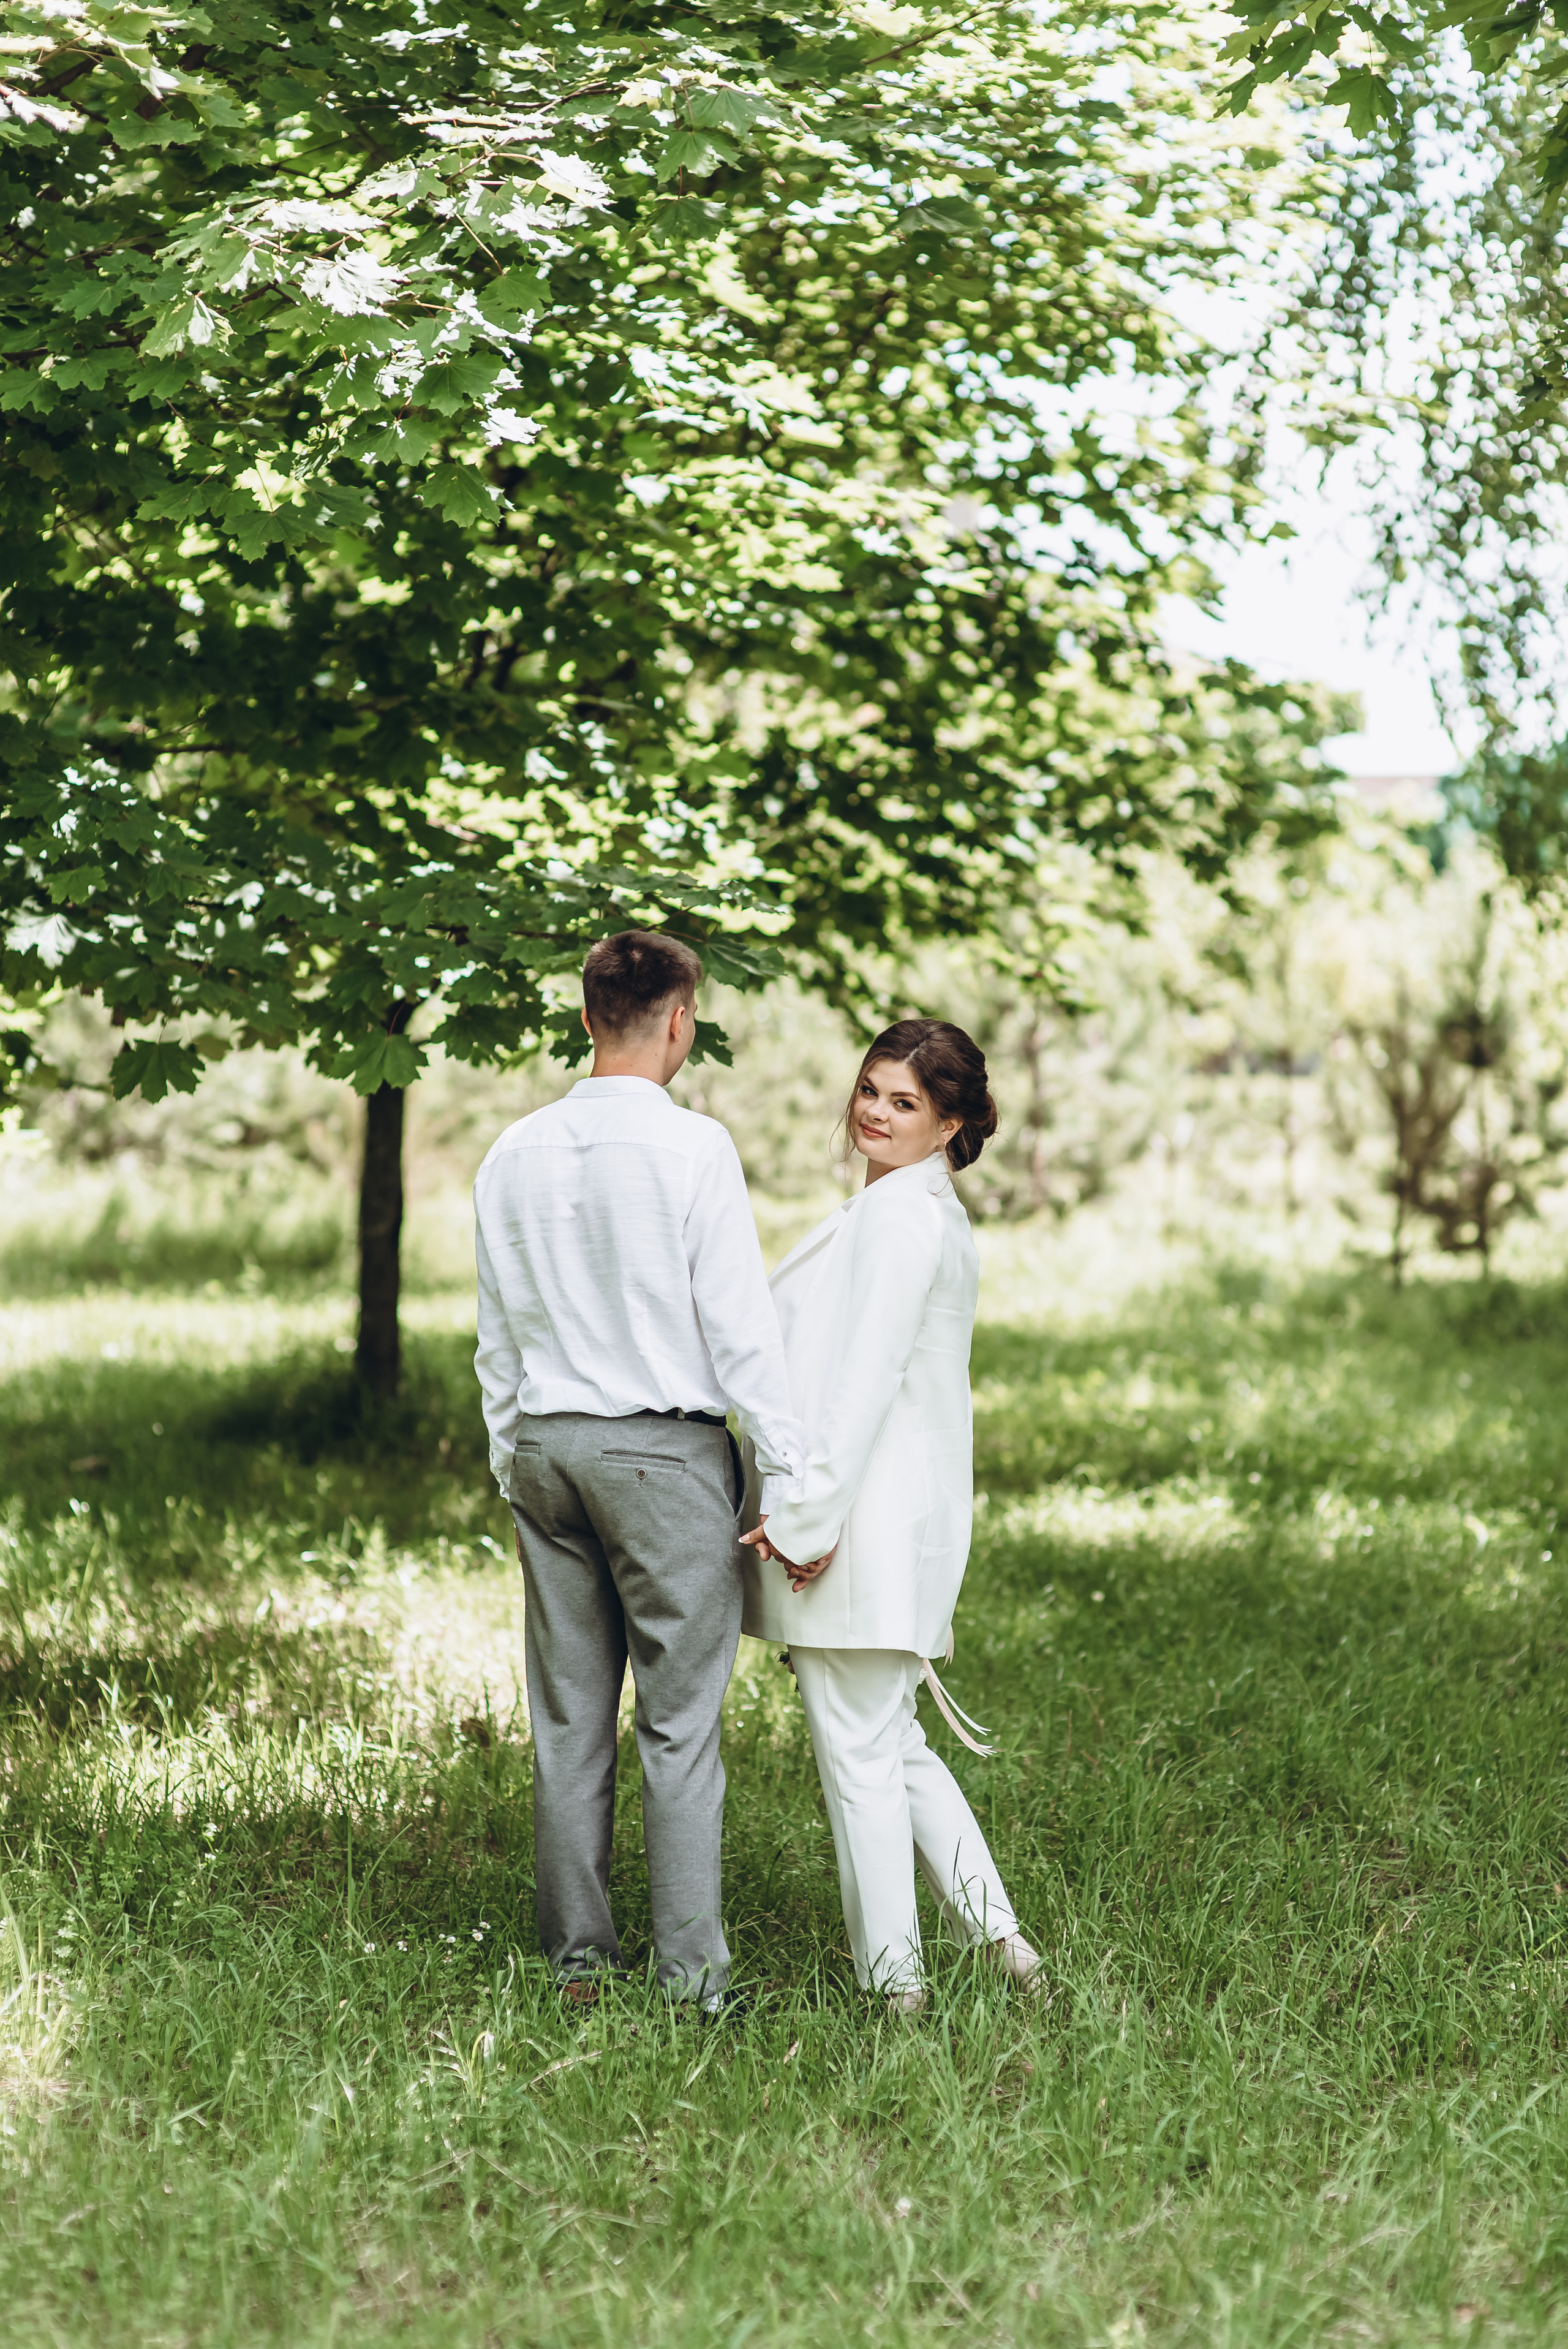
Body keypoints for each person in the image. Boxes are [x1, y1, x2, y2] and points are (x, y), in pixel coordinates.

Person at [473, 931, 804, 2012]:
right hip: (660, 1457)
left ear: (584, 1018)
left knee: (569, 1716)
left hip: (547, 1449)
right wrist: (793, 1474)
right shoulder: (693, 1149)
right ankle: (691, 1983)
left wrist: (510, 1454)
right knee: (679, 1724)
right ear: (679, 1022)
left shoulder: (510, 1152)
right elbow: (742, 1331)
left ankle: (577, 1965)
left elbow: (496, 1336)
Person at [740, 1019, 1042, 2014]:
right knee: (894, 1743)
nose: (874, 1111)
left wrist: (804, 1523)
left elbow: (861, 1385)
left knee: (859, 1755)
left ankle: (895, 1987)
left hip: (860, 1521)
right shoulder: (908, 1209)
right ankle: (1003, 1943)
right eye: (870, 1089)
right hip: (888, 1515)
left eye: (904, 1101)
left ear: (950, 1122)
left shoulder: (905, 1220)